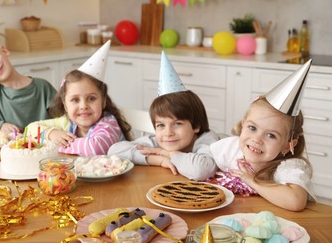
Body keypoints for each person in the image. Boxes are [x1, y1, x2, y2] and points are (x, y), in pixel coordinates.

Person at [210, 59, 317, 211]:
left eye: (271, 136)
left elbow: (295, 202)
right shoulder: (232, 148)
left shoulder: (288, 167)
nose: (257, 140)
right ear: (243, 124)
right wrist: (166, 154)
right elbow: (201, 160)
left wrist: (252, 181)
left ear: (288, 145)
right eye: (252, 128)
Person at [108, 51, 221, 181]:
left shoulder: (207, 140)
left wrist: (167, 153)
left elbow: (200, 170)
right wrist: (157, 159)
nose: (168, 133)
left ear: (195, 125)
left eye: (177, 124)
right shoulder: (160, 141)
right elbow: (114, 151)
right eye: (161, 125)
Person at [27, 41, 133, 156]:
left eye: (91, 99)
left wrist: (53, 145)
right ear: (65, 105)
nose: (83, 106)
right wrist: (50, 134)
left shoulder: (108, 124)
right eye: (75, 100)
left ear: (103, 102)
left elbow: (94, 149)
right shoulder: (67, 122)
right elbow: (29, 129)